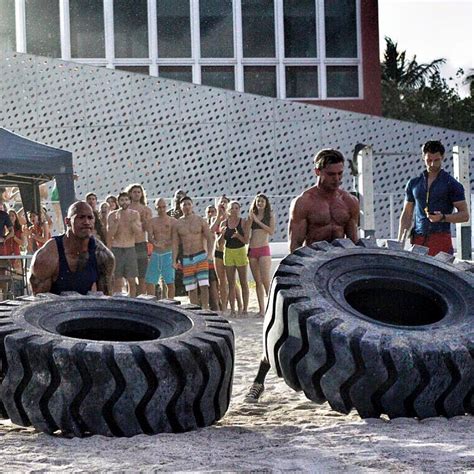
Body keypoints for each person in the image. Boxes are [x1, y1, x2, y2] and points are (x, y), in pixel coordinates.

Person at [245, 148, 360, 402]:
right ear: (317, 171)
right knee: (284, 327)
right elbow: (294, 247)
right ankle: (258, 381)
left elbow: (354, 243)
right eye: (331, 174)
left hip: (338, 271)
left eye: (340, 173)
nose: (337, 179)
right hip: (310, 269)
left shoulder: (349, 202)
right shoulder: (304, 202)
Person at [398, 140, 469, 256]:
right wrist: (400, 242)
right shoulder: (414, 183)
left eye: (436, 160)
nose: (432, 164)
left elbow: (465, 215)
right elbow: (407, 214)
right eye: (429, 160)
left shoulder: (452, 184)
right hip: (418, 239)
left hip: (440, 239)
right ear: (423, 157)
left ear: (442, 157)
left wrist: (443, 217)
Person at [29, 201, 115, 295]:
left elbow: (105, 300)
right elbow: (38, 302)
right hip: (55, 307)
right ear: (67, 221)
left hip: (84, 307)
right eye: (81, 217)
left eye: (90, 218)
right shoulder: (46, 257)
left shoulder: (103, 256)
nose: (86, 222)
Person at [172, 196, 213, 309]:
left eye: (188, 204)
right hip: (187, 258)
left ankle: (205, 308)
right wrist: (174, 259)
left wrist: (209, 254)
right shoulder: (177, 224)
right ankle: (195, 309)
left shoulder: (200, 220)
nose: (186, 207)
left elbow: (209, 237)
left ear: (192, 205)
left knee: (204, 284)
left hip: (200, 255)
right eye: (184, 204)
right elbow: (175, 244)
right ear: (180, 206)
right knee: (191, 287)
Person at [210, 195, 243, 313]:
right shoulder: (217, 218)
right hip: (218, 252)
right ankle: (224, 307)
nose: (223, 204)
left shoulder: (233, 220)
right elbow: (212, 230)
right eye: (221, 203)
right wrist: (219, 216)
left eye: (225, 203)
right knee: (221, 281)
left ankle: (239, 304)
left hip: (229, 251)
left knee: (232, 280)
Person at [107, 192, 142, 296]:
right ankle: (118, 302)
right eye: (122, 200)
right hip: (117, 248)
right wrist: (116, 224)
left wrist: (132, 224)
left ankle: (132, 302)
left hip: (130, 248)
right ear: (118, 202)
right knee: (117, 280)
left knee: (131, 280)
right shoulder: (112, 215)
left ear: (130, 201)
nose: (124, 202)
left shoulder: (135, 214)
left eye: (126, 200)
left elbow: (138, 233)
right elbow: (110, 235)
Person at [219, 201, 250, 316]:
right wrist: (222, 234)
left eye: (237, 208)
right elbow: (219, 244)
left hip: (240, 251)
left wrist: (238, 236)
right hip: (228, 252)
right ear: (228, 210)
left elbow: (246, 241)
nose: (235, 210)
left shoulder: (243, 222)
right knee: (231, 283)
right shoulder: (224, 223)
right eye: (232, 208)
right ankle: (232, 310)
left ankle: (245, 309)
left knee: (243, 281)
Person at [247, 194, 276, 317]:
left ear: (266, 203)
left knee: (265, 280)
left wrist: (257, 221)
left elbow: (271, 231)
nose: (260, 203)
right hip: (253, 249)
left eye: (262, 201)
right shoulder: (251, 216)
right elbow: (247, 233)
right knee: (257, 281)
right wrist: (250, 220)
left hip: (264, 249)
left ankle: (272, 307)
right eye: (258, 201)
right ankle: (261, 309)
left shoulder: (269, 216)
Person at [145, 198, 176, 298]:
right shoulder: (152, 222)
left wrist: (167, 243)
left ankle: (171, 303)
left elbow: (175, 238)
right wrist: (155, 243)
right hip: (156, 254)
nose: (161, 209)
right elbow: (149, 237)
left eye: (163, 207)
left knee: (170, 282)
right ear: (156, 208)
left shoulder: (172, 221)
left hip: (168, 254)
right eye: (159, 207)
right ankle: (151, 304)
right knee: (150, 281)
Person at [126, 184, 153, 295]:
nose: (136, 194)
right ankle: (132, 297)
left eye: (138, 192)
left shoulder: (146, 209)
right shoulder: (126, 209)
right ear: (130, 194)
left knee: (142, 275)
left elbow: (148, 229)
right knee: (130, 276)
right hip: (128, 244)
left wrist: (144, 221)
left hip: (141, 243)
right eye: (134, 192)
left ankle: (141, 297)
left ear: (142, 194)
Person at [205, 204, 220, 311]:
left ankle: (220, 306)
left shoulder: (219, 224)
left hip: (218, 258)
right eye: (208, 211)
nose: (210, 213)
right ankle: (216, 306)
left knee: (222, 283)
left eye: (212, 211)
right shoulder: (204, 225)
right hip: (207, 260)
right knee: (212, 284)